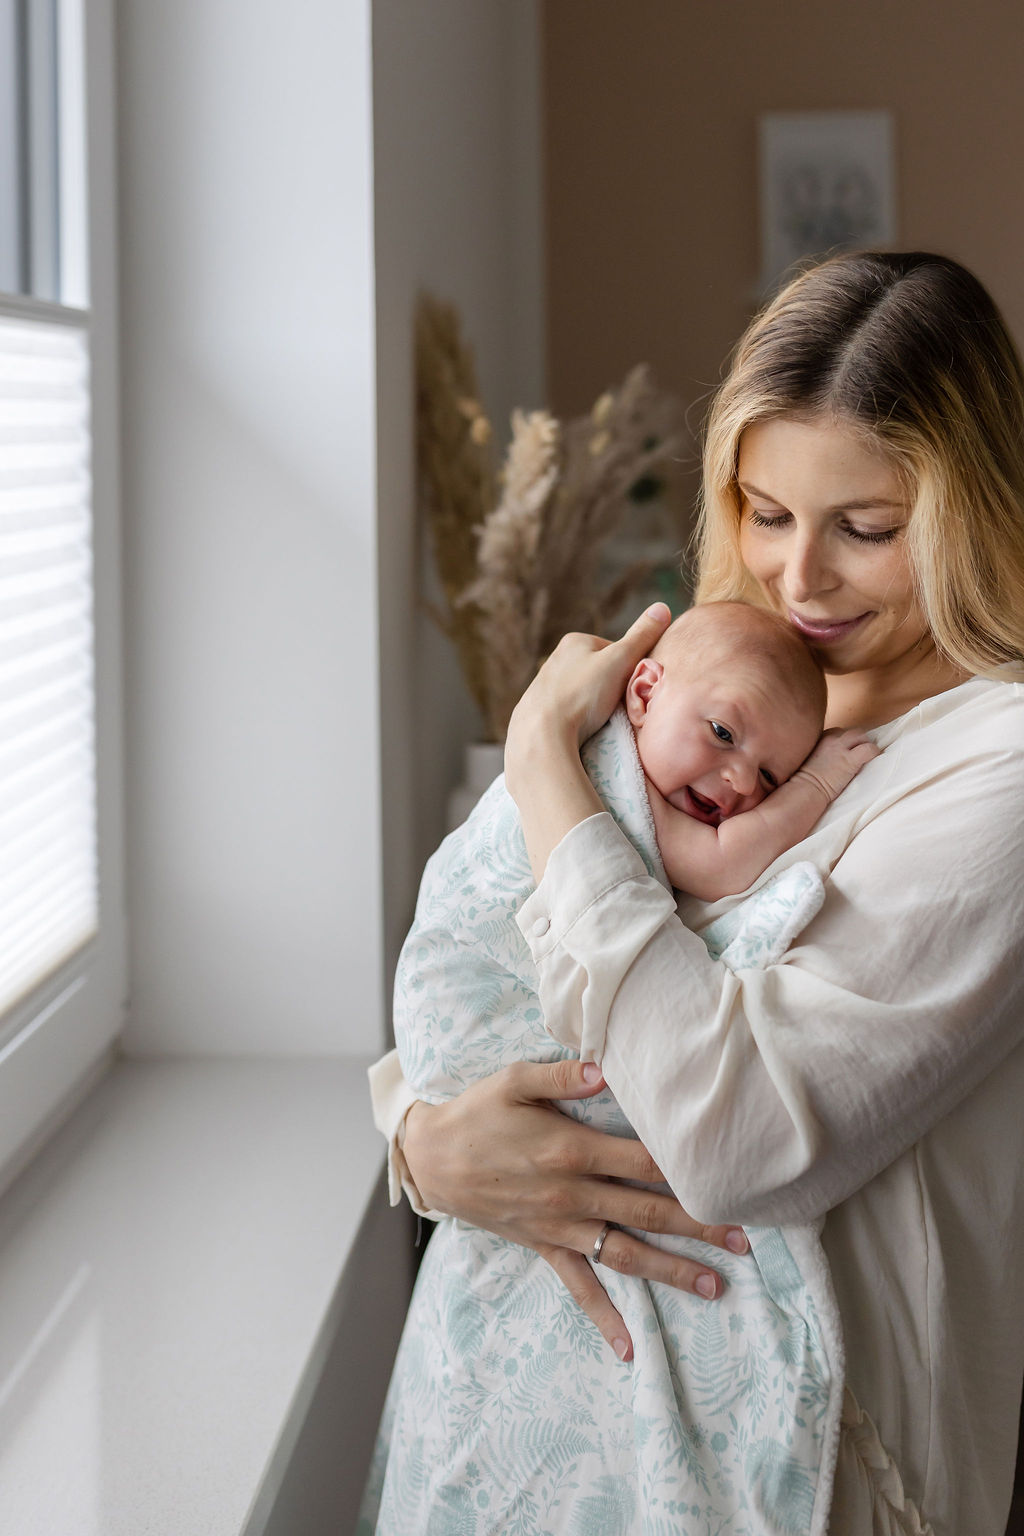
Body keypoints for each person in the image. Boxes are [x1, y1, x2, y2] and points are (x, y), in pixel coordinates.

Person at [370, 251, 1024, 1535]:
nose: (799, 580)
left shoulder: (993, 769)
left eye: (866, 529)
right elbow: (499, 955)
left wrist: (541, 763)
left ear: (976, 507)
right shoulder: (726, 686)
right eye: (765, 512)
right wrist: (424, 1143)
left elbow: (733, 1139)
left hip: (837, 1470)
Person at [360, 600, 876, 1535]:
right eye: (722, 736)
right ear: (643, 689)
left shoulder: (596, 745)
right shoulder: (607, 769)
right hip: (466, 1007)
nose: (736, 782)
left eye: (770, 774)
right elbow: (721, 868)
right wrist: (814, 790)